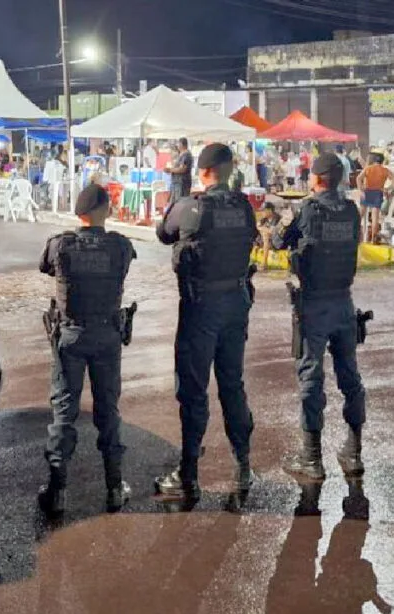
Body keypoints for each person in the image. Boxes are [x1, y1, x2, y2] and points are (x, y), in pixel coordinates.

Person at [153, 143, 257, 512]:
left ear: (203, 171)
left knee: (194, 390)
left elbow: (163, 234)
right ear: (228, 169)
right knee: (232, 384)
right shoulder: (244, 206)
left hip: (201, 309)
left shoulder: (190, 207)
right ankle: (243, 466)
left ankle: (188, 475)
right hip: (236, 304)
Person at [37, 172, 136, 518]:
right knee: (108, 411)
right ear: (106, 211)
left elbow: (46, 267)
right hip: (107, 336)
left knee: (64, 413)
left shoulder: (60, 244)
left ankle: (57, 490)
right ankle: (113, 488)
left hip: (70, 337)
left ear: (79, 213)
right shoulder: (121, 246)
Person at [271, 153, 367, 484]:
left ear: (317, 178)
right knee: (350, 377)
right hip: (343, 302)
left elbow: (277, 241)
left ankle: (311, 458)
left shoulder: (307, 210)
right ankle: (353, 451)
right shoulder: (351, 210)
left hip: (313, 303)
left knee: (311, 378)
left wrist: (284, 221)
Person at [356, 153, 393, 243]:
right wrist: (387, 188)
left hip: (367, 191)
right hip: (377, 193)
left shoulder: (368, 168)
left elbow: (358, 178)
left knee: (360, 215)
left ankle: (355, 235)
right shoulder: (385, 170)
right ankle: (374, 238)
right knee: (375, 218)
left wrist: (361, 190)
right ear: (382, 161)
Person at [166, 137, 194, 202]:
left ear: (181, 144)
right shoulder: (181, 155)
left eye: (178, 144)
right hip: (177, 183)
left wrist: (170, 170)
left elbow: (182, 169)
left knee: (179, 202)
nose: (177, 146)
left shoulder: (186, 155)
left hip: (182, 183)